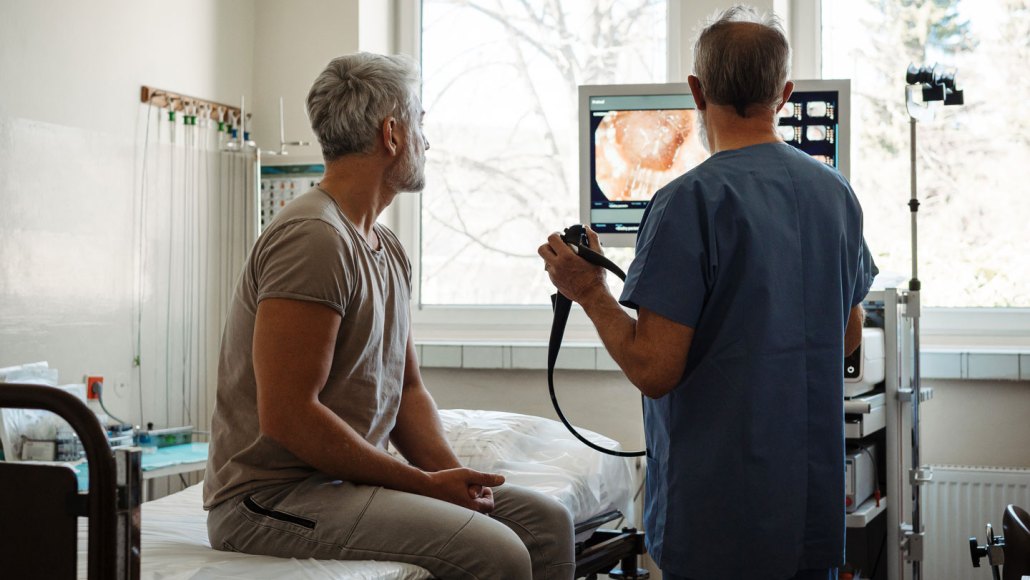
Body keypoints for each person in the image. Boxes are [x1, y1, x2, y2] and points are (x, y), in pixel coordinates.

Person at [204, 52, 575, 580]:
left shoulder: (385, 248)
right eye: (421, 124)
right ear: (393, 134)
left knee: (545, 522)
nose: (429, 141)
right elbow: (287, 416)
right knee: (500, 552)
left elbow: (407, 391)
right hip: (269, 499)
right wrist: (424, 487)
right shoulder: (314, 239)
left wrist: (451, 478)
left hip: (338, 487)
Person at [539, 6, 876, 580]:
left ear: (697, 91)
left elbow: (654, 368)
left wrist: (588, 290)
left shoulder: (686, 202)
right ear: (785, 94)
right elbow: (847, 336)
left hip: (721, 519)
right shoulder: (835, 193)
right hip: (806, 512)